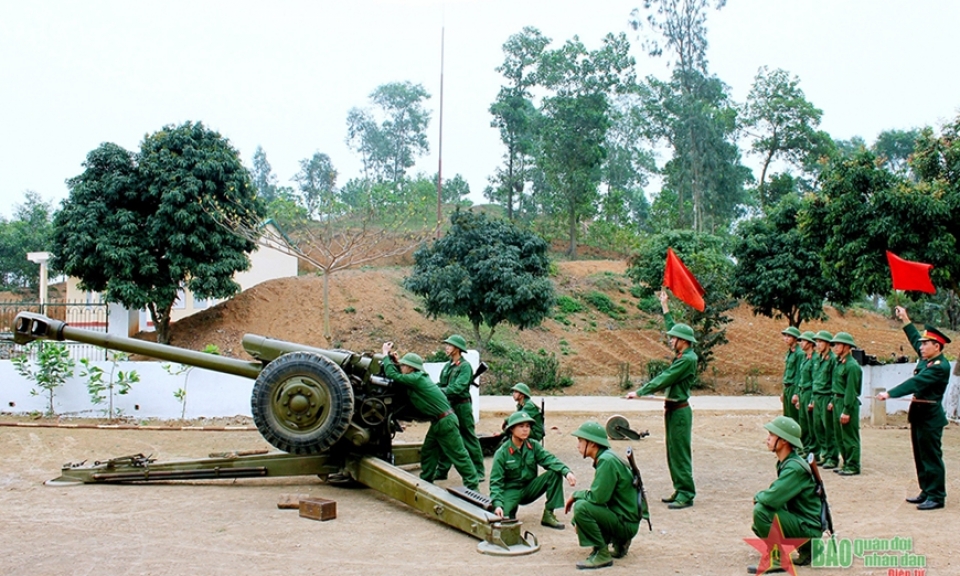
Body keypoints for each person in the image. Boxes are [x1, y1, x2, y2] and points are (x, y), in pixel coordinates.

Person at [625, 289, 697, 509]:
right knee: (672, 452)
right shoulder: (683, 353)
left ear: (683, 341)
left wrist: (640, 391)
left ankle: (686, 492)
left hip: (680, 411)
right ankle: (680, 488)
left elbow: (665, 378)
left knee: (680, 453)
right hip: (673, 410)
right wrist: (665, 306)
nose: (671, 340)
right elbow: (672, 327)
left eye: (674, 338)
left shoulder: (687, 360)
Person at [876, 307, 952, 510]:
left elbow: (915, 383)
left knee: (931, 456)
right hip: (919, 416)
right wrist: (905, 319)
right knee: (920, 455)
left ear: (936, 346)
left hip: (930, 417)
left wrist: (889, 394)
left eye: (925, 344)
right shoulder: (927, 359)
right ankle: (926, 490)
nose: (921, 347)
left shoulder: (939, 367)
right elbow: (914, 338)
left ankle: (936, 495)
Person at [380, 341, 480, 491]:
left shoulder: (416, 378)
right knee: (428, 451)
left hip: (445, 421)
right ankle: (426, 479)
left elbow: (393, 376)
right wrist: (393, 361)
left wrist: (384, 354)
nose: (402, 367)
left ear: (411, 368)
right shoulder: (416, 377)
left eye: (403, 365)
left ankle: (472, 485)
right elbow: (399, 375)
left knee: (458, 454)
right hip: (438, 421)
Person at [748, 416, 823, 574]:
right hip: (807, 527)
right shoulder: (789, 462)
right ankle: (806, 551)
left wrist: (758, 496)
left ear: (784, 441)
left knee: (761, 512)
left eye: (772, 435)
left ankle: (778, 560)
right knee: (759, 525)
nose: (768, 438)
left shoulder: (794, 468)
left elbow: (771, 499)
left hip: (808, 530)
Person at [565, 421, 640, 570]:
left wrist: (575, 495)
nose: (578, 445)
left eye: (581, 441)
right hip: (627, 519)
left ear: (592, 444)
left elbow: (598, 498)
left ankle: (602, 553)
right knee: (582, 511)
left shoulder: (606, 461)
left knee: (581, 508)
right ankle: (619, 542)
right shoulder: (607, 457)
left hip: (626, 523)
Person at [489, 411, 575, 530]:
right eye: (521, 426)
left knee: (554, 473)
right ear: (511, 430)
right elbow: (495, 482)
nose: (525, 430)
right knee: (503, 519)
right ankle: (509, 510)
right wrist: (497, 504)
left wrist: (566, 472)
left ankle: (548, 514)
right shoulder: (502, 453)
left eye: (528, 426)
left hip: (530, 488)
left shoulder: (533, 445)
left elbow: (549, 459)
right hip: (511, 491)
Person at [434, 334, 486, 482]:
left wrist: (440, 391)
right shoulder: (447, 365)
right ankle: (442, 470)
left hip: (461, 406)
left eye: (449, 345)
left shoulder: (465, 367)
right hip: (449, 405)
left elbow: (457, 388)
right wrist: (432, 388)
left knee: (468, 437)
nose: (447, 347)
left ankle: (478, 471)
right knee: (447, 437)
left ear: (457, 348)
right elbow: (442, 384)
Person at [830, 332, 862, 476]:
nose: (835, 347)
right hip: (837, 400)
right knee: (839, 435)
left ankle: (853, 465)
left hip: (846, 402)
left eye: (838, 344)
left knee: (849, 435)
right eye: (834, 344)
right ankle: (846, 463)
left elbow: (851, 390)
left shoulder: (852, 366)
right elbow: (836, 384)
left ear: (847, 346)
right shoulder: (839, 362)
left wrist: (847, 410)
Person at [811, 330, 838, 468]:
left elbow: (835, 381)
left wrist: (832, 400)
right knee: (818, 427)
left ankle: (832, 457)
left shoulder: (832, 359)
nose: (818, 344)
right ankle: (824, 453)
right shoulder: (817, 358)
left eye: (821, 342)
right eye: (817, 341)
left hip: (827, 396)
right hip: (817, 395)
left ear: (828, 344)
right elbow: (815, 380)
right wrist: (812, 398)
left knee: (829, 429)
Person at [791, 331, 817, 457]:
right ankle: (804, 448)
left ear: (811, 343)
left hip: (809, 392)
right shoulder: (805, 358)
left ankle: (812, 450)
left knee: (811, 424)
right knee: (803, 424)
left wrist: (812, 399)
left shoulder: (815, 359)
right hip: (802, 392)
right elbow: (800, 377)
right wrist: (798, 394)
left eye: (804, 341)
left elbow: (814, 380)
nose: (801, 343)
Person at [781, 326, 804, 423]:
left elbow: (799, 374)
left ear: (795, 338)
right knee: (786, 416)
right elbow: (787, 372)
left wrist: (796, 393)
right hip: (787, 386)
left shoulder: (799, 353)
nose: (785, 338)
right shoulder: (789, 352)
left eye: (789, 336)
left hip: (793, 387)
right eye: (785, 336)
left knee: (794, 418)